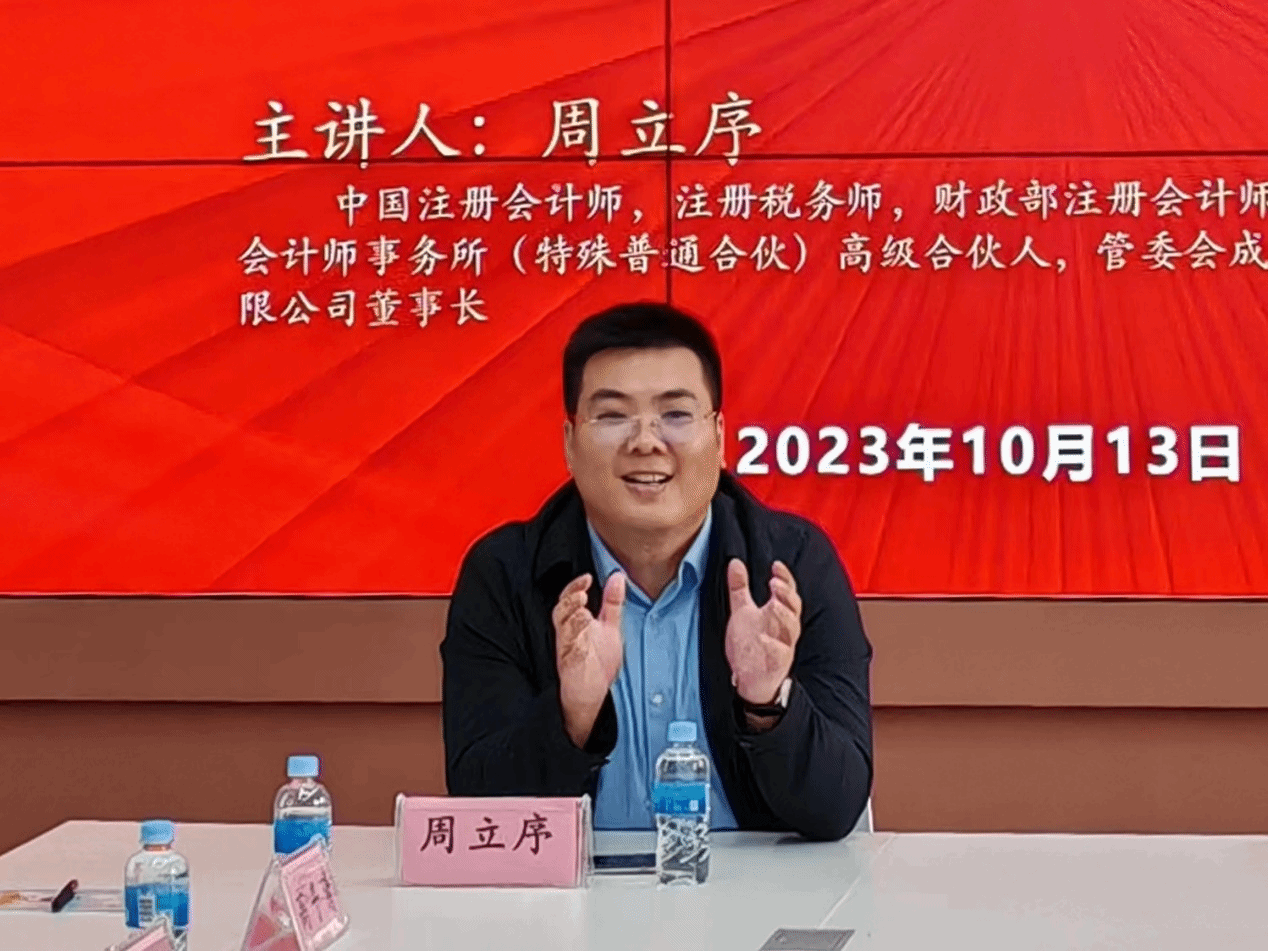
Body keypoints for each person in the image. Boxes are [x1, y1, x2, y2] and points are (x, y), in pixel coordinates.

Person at [441, 301, 873, 841]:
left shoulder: (793, 565)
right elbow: (482, 810)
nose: (645, 441)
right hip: (574, 890)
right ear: (570, 444)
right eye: (612, 416)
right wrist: (572, 715)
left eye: (676, 415)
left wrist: (767, 704)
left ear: (719, 436)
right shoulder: (505, 575)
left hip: (755, 886)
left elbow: (837, 807)